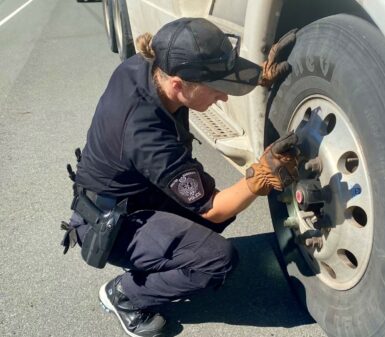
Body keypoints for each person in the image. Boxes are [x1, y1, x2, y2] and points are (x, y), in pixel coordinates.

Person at [61, 17, 299, 337]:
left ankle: (161, 255)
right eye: (217, 90)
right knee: (216, 258)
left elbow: (209, 71)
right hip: (109, 223)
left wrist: (256, 76)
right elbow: (213, 207)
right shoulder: (145, 134)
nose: (225, 97)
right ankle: (124, 293)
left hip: (135, 194)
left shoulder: (148, 66)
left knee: (213, 214)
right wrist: (261, 177)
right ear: (178, 84)